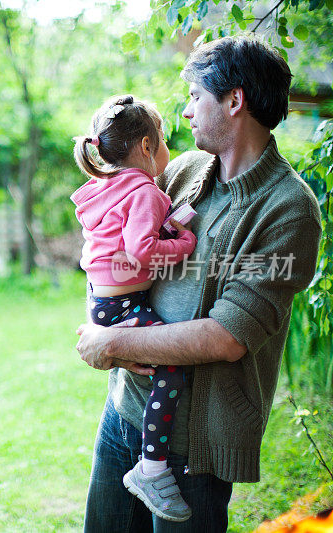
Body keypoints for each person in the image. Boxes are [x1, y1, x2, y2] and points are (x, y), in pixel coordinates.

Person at [77, 36, 322, 532]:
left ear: (235, 101)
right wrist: (102, 318)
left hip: (194, 444)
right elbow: (117, 251)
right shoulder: (184, 169)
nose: (186, 113)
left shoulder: (288, 209)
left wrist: (113, 341)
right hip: (125, 412)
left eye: (194, 96)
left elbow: (228, 337)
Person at [71, 94, 198, 522]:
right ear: (146, 145)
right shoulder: (143, 188)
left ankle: (151, 465)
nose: (166, 147)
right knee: (171, 369)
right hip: (124, 303)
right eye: (162, 138)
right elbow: (142, 252)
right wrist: (184, 242)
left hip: (102, 300)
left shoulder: (108, 185)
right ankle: (153, 467)